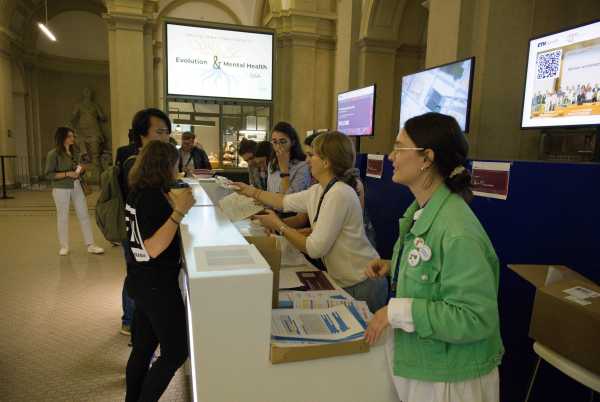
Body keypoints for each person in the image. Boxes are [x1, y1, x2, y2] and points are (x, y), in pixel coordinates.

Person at [364, 113, 503, 402]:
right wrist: (395, 266)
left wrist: (395, 311)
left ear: (426, 158)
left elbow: (475, 317)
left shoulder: (456, 230)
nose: (391, 156)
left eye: (399, 148)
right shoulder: (423, 212)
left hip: (453, 381)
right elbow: (436, 274)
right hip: (429, 369)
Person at [235, 131, 388, 312]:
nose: (307, 160)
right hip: (344, 280)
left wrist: (279, 226)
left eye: (311, 155)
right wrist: (250, 191)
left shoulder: (340, 193)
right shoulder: (318, 190)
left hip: (363, 283)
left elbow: (315, 249)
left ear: (326, 161)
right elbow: (282, 201)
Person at [124, 141, 195, 402]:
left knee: (142, 349)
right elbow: (153, 247)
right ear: (166, 166)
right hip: (157, 285)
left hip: (140, 280)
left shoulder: (139, 191)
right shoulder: (152, 198)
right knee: (176, 351)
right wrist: (178, 212)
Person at [118, 108, 172, 336]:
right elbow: (147, 203)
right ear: (142, 134)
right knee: (137, 275)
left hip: (142, 236)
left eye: (167, 132)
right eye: (159, 132)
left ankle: (137, 324)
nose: (165, 137)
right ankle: (129, 320)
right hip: (139, 236)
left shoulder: (150, 160)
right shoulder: (136, 163)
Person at [45, 127, 104, 256]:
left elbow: (79, 167)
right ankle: (64, 246)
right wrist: (67, 173)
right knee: (62, 217)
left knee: (84, 215)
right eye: (70, 136)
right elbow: (49, 174)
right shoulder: (53, 154)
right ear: (62, 138)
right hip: (61, 189)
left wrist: (81, 169)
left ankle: (90, 245)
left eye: (73, 136)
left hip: (77, 186)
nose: (73, 138)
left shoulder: (75, 152)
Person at [267, 121, 311, 195]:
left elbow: (289, 199)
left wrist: (284, 169)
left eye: (283, 142)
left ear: (293, 142)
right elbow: (270, 192)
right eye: (275, 142)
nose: (278, 147)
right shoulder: (272, 163)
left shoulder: (303, 166)